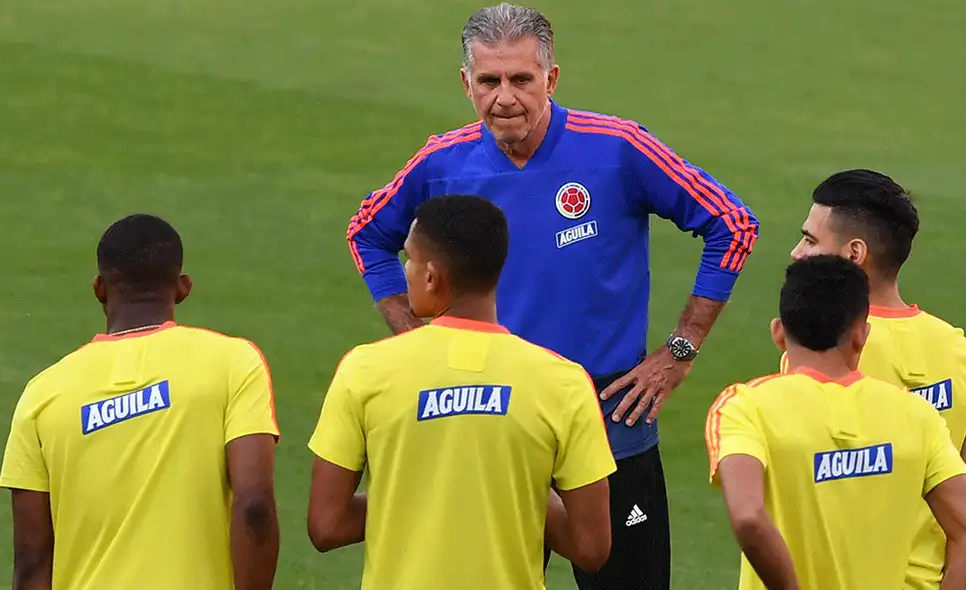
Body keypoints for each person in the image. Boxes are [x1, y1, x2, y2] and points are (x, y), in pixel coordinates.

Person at [344, 4, 759, 587]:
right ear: (467, 84)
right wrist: (414, 338)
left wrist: (678, 351)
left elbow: (732, 223)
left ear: (551, 79)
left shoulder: (617, 148)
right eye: (489, 81)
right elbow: (366, 235)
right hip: (494, 425)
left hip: (610, 414)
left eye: (522, 79)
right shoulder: (441, 163)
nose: (505, 97)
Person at [308, 195, 616, 589]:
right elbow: (591, 546)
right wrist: (517, 496)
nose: (406, 270)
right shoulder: (563, 382)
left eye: (410, 260)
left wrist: (417, 497)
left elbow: (326, 525)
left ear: (432, 276)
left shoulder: (365, 371)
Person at [0, 214, 281, 590]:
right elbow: (255, 509)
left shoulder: (42, 394)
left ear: (100, 288)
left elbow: (33, 562)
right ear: (183, 288)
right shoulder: (233, 362)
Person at [706, 255, 966, 590]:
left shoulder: (745, 407)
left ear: (778, 333)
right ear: (862, 335)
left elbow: (747, 515)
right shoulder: (916, 416)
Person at [782, 169, 966, 588]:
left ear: (853, 253)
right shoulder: (962, 355)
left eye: (810, 240)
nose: (796, 253)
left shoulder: (821, 351)